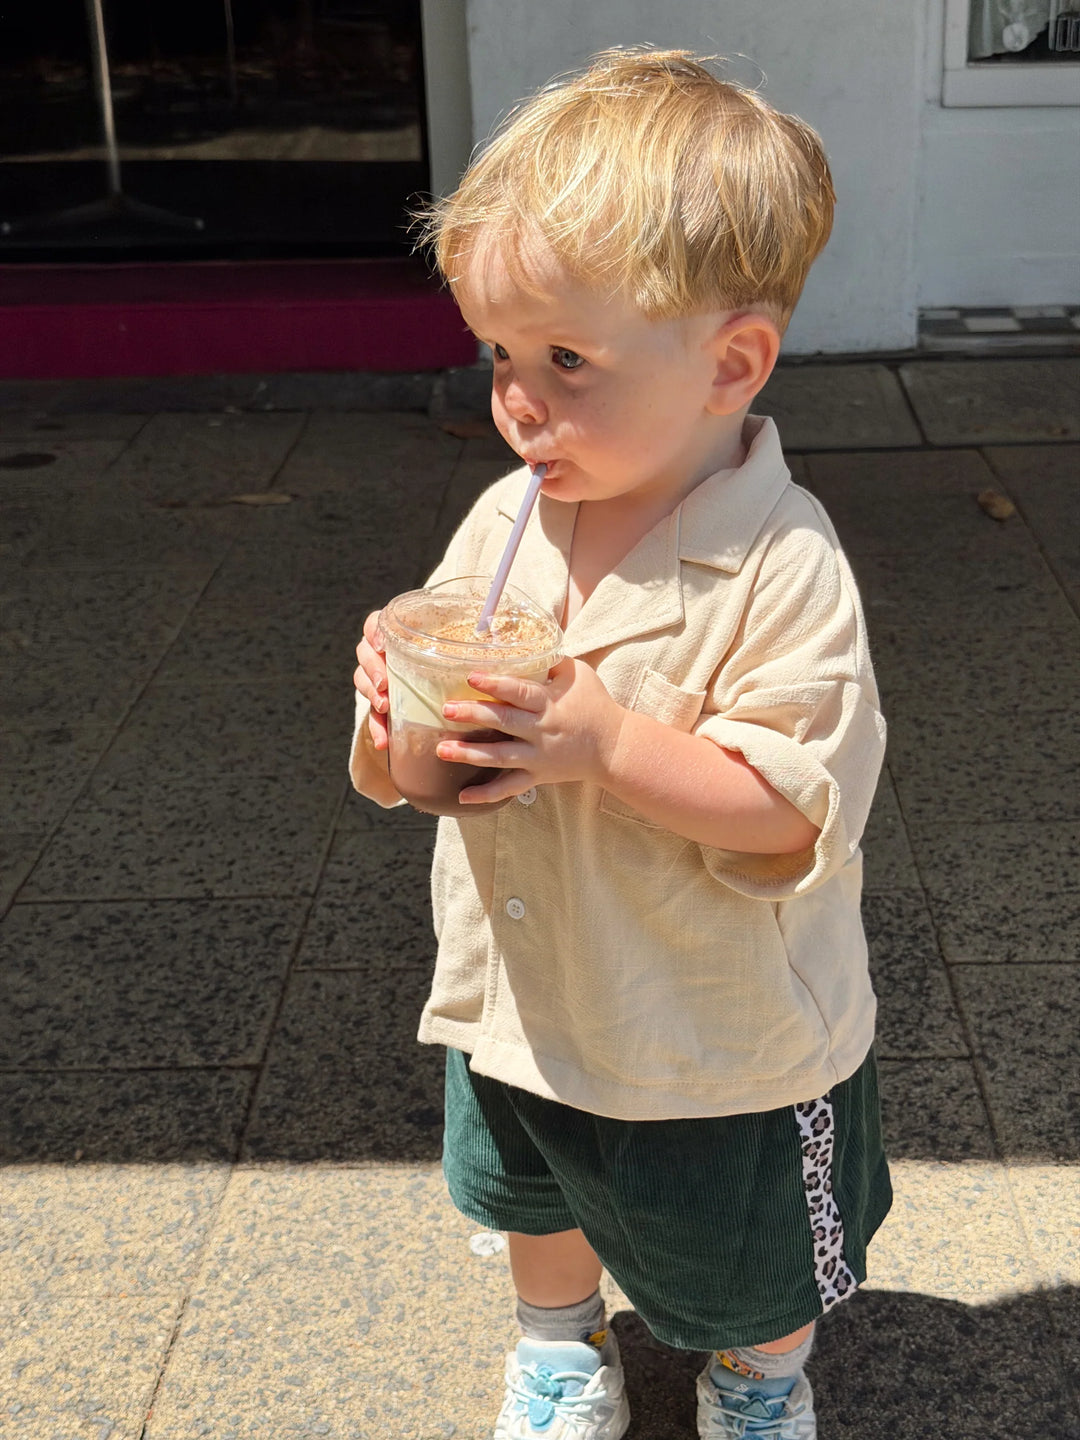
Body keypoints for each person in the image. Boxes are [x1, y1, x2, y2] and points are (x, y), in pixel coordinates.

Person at [350, 48, 891, 1440]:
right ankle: (556, 1343)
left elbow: (786, 808)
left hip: (714, 1029)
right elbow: (441, 785)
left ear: (732, 363)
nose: (519, 401)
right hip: (525, 998)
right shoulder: (505, 525)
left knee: (747, 1247)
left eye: (567, 361)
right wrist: (401, 721)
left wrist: (602, 741)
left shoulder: (782, 562)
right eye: (500, 356)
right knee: (533, 1190)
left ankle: (761, 1375)